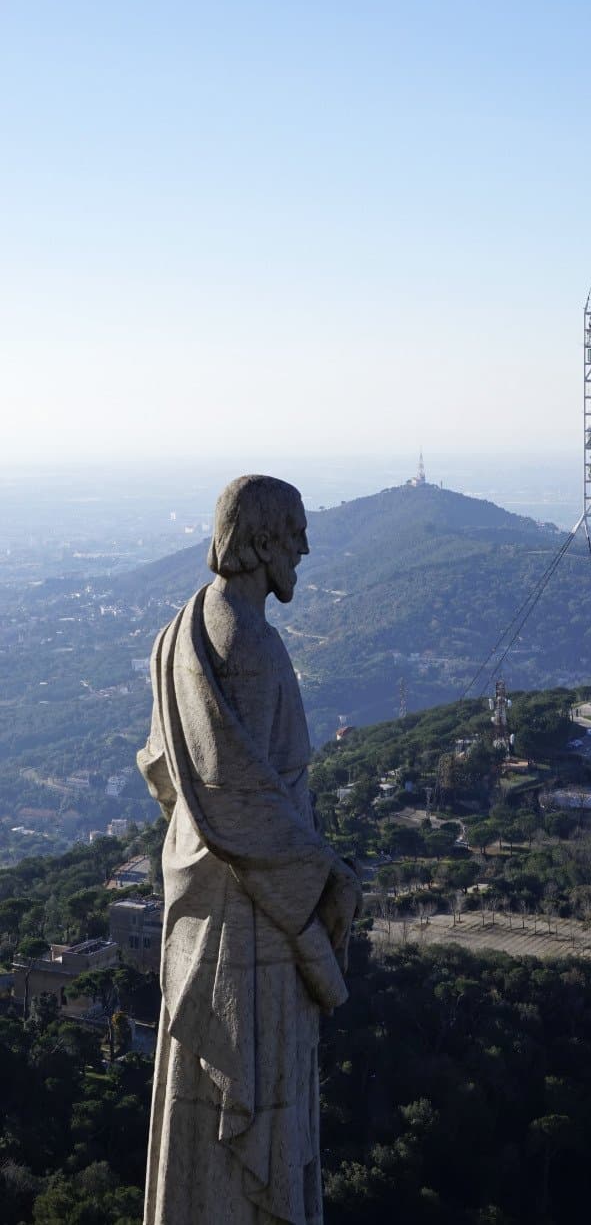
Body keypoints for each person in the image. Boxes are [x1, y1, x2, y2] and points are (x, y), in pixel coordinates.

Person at [138, 475, 361, 1225]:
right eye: (294, 531)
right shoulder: (253, 645)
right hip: (250, 919)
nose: (303, 546)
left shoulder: (183, 628)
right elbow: (246, 804)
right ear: (262, 540)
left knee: (199, 1116)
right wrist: (324, 880)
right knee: (258, 1109)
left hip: (198, 907)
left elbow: (166, 770)